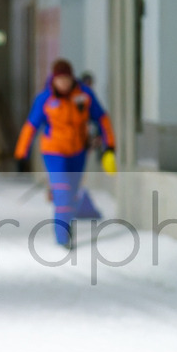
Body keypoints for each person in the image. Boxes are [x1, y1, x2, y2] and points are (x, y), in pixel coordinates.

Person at [14, 58, 116, 248]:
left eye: (67, 79)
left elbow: (102, 118)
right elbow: (30, 127)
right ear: (53, 80)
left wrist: (109, 146)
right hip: (54, 152)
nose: (64, 83)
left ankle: (66, 223)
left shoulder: (84, 96)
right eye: (60, 80)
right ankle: (62, 236)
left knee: (73, 194)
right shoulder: (45, 99)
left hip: (78, 152)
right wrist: (21, 154)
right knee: (62, 193)